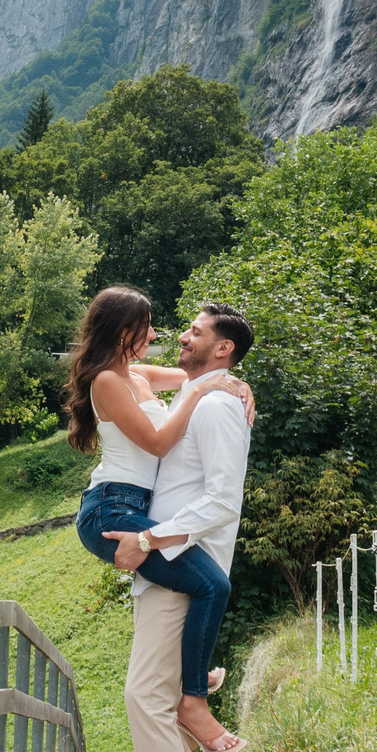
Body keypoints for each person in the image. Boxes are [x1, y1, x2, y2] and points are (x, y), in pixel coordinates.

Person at [102, 302, 254, 752]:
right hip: (163, 568)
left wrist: (148, 537)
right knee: (156, 697)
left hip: (181, 565)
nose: (182, 338)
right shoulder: (205, 395)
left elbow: (222, 501)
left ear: (223, 349)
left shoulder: (218, 408)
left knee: (145, 697)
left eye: (196, 332)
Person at [66, 287, 249, 728]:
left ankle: (190, 679)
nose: (154, 332)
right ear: (123, 330)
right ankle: (194, 696)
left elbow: (197, 376)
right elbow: (158, 442)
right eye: (146, 325)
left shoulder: (136, 374)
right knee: (213, 585)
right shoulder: (107, 382)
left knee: (206, 584)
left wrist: (236, 383)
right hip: (111, 509)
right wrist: (201, 394)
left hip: (133, 506)